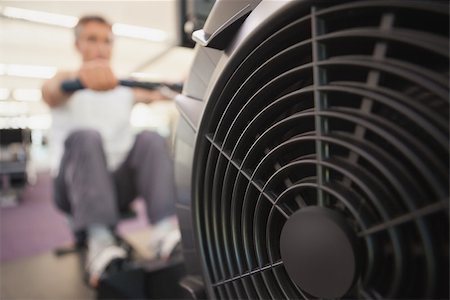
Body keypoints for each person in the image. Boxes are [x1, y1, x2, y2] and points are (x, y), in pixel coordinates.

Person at [42, 15, 178, 287]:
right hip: (72, 187)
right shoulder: (65, 82)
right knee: (86, 137)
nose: (101, 48)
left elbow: (162, 90)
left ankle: (164, 232)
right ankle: (100, 243)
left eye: (107, 41)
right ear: (78, 44)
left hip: (116, 186)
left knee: (150, 138)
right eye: (92, 39)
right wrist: (77, 77)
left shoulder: (123, 87)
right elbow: (50, 91)